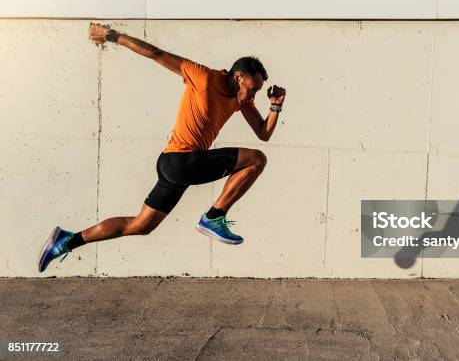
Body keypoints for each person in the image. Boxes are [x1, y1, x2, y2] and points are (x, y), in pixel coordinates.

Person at [38, 23, 286, 273]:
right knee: (256, 159)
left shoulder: (241, 101)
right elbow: (156, 53)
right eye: (252, 89)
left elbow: (263, 133)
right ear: (238, 77)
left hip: (175, 166)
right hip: (181, 160)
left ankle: (66, 241)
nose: (253, 95)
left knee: (140, 225)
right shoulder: (203, 77)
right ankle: (214, 216)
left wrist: (275, 106)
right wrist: (112, 36)